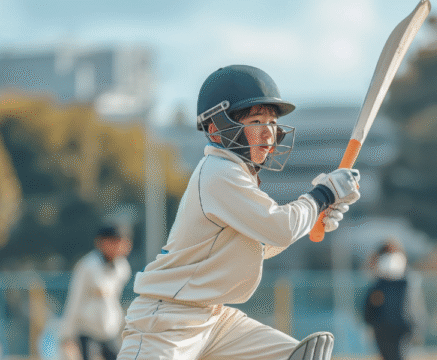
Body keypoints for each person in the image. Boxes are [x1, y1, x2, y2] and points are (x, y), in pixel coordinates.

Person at [117, 65, 361, 360]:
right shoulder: (219, 171)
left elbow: (259, 243)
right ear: (216, 130)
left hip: (215, 320)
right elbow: (279, 227)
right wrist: (322, 196)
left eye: (271, 122)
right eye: (256, 120)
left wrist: (312, 219)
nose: (268, 132)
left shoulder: (236, 175)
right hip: (167, 320)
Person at [59, 225, 132, 360]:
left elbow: (113, 299)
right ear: (103, 243)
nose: (121, 246)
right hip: (87, 330)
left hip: (109, 330)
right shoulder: (87, 266)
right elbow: (75, 299)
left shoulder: (122, 268)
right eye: (116, 242)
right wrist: (67, 334)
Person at [360, 239, 426, 360]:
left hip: (400, 331)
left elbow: (414, 309)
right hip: (383, 330)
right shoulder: (378, 285)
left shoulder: (408, 282)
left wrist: (416, 328)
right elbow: (369, 310)